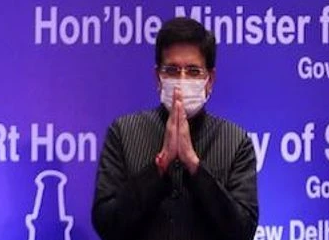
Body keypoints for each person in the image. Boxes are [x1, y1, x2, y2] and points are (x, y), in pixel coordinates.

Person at [91, 17, 258, 240]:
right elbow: (106, 222)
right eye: (171, 70)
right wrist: (160, 165)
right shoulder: (122, 133)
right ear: (158, 77)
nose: (181, 80)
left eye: (193, 71)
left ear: (210, 79)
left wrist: (194, 165)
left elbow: (242, 230)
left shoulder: (236, 142)